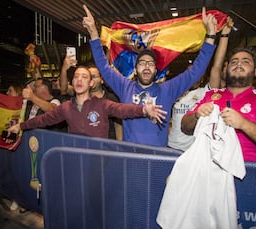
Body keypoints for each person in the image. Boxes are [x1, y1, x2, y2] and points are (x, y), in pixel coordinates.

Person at [82, 5, 218, 146]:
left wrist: (211, 36)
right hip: (131, 158)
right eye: (142, 63)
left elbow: (195, 71)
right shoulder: (125, 87)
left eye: (151, 63)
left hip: (157, 159)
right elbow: (103, 67)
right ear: (135, 70)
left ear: (155, 71)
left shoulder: (167, 90)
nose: (146, 66)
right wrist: (93, 32)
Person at [181, 47, 256, 162]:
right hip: (209, 169)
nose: (238, 64)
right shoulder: (210, 96)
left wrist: (244, 124)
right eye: (233, 62)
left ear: (255, 72)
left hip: (250, 172)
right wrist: (196, 116)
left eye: (246, 61)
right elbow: (185, 127)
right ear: (227, 69)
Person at [6, 66, 167, 139]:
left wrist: (144, 110)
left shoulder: (102, 104)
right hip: (76, 160)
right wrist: (20, 126)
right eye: (76, 76)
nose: (79, 79)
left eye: (84, 77)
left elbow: (122, 109)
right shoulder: (66, 107)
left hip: (99, 161)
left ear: (91, 83)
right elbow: (43, 119)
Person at [168, 17, 234, 151]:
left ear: (200, 77)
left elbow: (217, 67)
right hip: (170, 148)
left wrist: (224, 35)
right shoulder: (176, 93)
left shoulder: (205, 93)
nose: (191, 78)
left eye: (195, 75)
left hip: (191, 152)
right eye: (188, 74)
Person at [89, 64, 123, 140]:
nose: (91, 80)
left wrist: (119, 146)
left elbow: (118, 125)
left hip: (108, 146)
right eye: (89, 77)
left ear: (101, 80)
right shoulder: (82, 100)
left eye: (94, 76)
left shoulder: (112, 99)